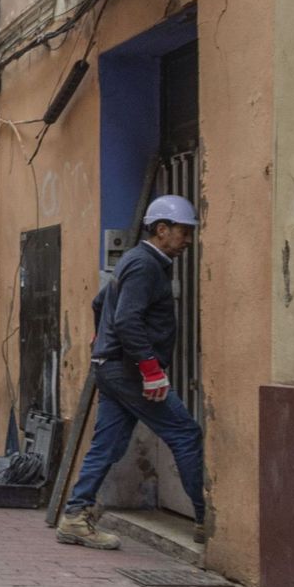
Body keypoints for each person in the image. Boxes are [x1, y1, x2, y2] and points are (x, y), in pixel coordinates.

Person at [58, 195, 206, 550]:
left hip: (112, 367)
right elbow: (126, 319)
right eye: (183, 232)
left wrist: (103, 339)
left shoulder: (136, 261)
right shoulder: (144, 265)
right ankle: (206, 521)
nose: (188, 240)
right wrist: (151, 370)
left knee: (108, 444)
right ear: (161, 229)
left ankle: (75, 517)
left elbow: (100, 305)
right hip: (129, 372)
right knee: (186, 433)